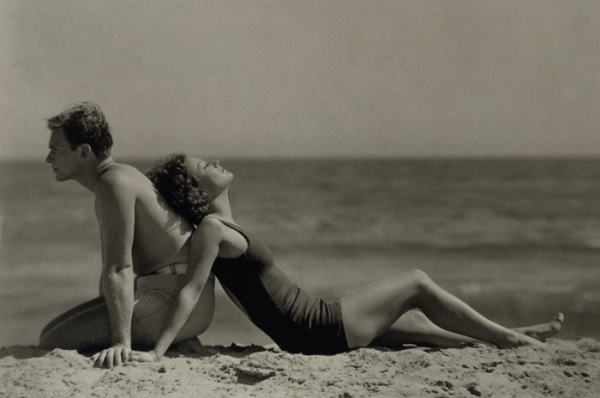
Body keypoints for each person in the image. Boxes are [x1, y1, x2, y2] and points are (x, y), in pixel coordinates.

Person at [129, 153, 563, 362]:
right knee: (415, 281)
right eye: (203, 164)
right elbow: (188, 292)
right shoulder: (210, 231)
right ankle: (508, 340)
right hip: (314, 328)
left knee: (409, 325)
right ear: (195, 188)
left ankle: (503, 336)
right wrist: (158, 351)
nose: (215, 160)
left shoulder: (220, 223)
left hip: (309, 326)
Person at [39, 103, 215, 368]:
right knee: (53, 329)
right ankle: (177, 339)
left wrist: (120, 342)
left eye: (56, 150)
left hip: (172, 303)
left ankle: (163, 337)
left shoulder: (113, 183)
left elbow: (120, 267)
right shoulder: (117, 178)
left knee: (51, 338)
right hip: (181, 304)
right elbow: (108, 271)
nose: (48, 158)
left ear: (83, 151)